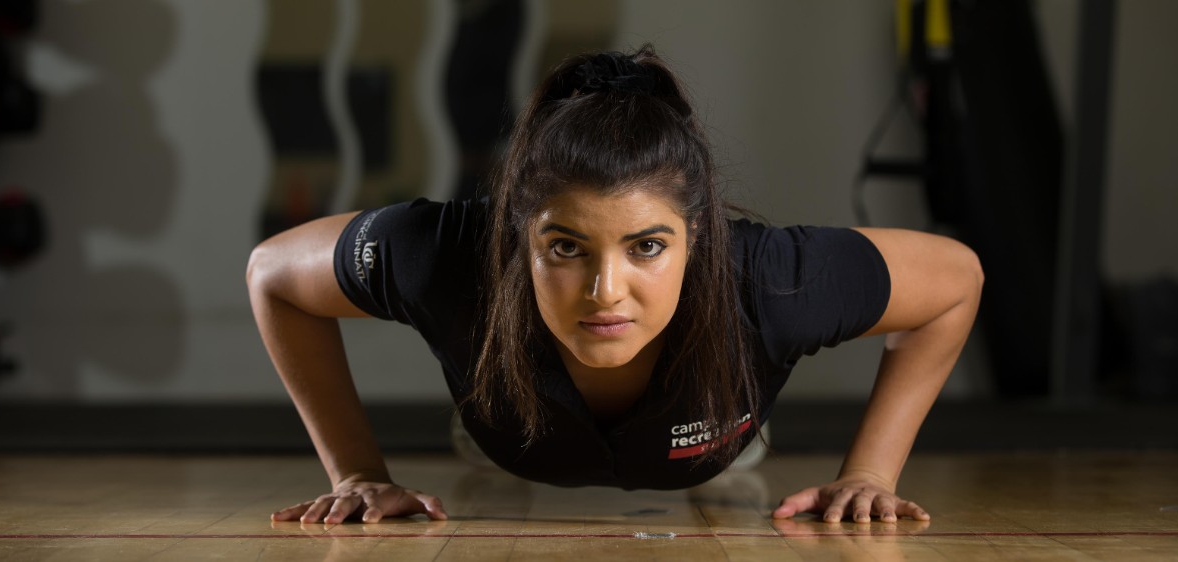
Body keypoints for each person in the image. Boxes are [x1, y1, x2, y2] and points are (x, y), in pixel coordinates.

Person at [247, 45, 983, 526]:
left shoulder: (770, 280)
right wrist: (356, 474)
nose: (606, 290)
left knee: (718, 423)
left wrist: (870, 472)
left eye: (647, 247)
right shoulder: (443, 255)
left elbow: (956, 280)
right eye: (565, 246)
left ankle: (743, 430)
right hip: (511, 431)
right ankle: (486, 413)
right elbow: (273, 275)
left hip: (707, 436)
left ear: (699, 237)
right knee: (500, 403)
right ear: (515, 235)